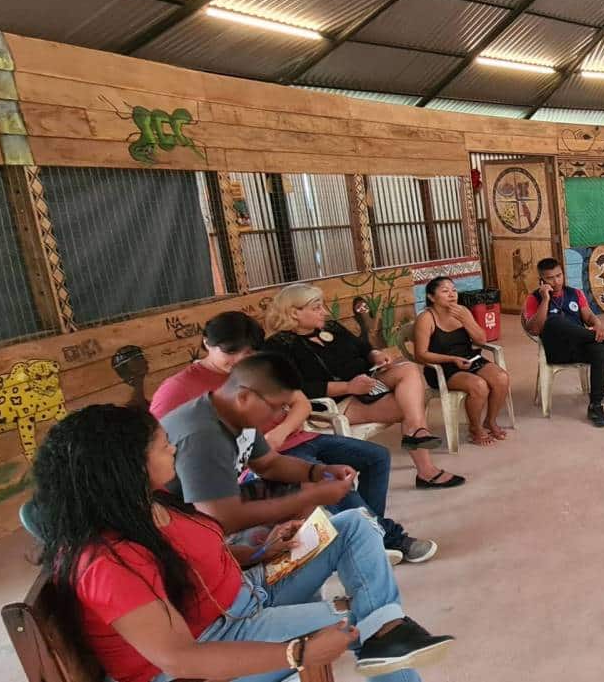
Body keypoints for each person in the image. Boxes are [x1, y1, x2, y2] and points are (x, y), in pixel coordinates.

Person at [33, 404, 453, 682]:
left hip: (242, 594)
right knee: (366, 624)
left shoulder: (142, 503)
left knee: (352, 526)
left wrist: (259, 552)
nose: (173, 449)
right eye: (162, 447)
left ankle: (388, 632)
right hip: (211, 642)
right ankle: (388, 634)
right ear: (127, 467)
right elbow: (179, 659)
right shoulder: (106, 562)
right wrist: (298, 652)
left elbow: (185, 559)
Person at [150, 312, 436, 565]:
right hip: (188, 508)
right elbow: (221, 513)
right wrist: (313, 490)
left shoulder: (240, 394)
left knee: (352, 469)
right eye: (231, 351)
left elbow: (271, 457)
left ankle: (367, 537)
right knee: (307, 499)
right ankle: (374, 539)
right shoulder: (189, 411)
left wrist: (317, 471)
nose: (278, 413)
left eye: (247, 353)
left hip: (254, 465)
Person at [262, 284, 464, 490]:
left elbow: (363, 348)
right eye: (316, 308)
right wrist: (348, 387)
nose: (324, 312)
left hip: (366, 383)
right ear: (294, 313)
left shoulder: (331, 327)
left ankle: (418, 432)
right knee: (409, 405)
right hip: (334, 402)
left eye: (322, 305)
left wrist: (376, 355)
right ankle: (425, 466)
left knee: (409, 369)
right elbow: (296, 390)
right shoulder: (278, 345)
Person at [522, 257, 604, 428]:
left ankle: (595, 406)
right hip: (557, 351)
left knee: (599, 351)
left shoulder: (575, 293)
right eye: (550, 278)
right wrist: (545, 300)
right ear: (541, 280)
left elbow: (588, 317)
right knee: (554, 321)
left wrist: (597, 325)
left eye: (559, 276)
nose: (556, 281)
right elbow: (534, 329)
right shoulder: (534, 298)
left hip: (580, 347)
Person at [412, 277, 513, 446]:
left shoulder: (463, 311)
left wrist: (466, 319)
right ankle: (475, 428)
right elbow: (420, 355)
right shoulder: (426, 318)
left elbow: (481, 340)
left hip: (469, 359)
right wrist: (452, 359)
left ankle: (490, 421)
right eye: (445, 291)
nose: (452, 295)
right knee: (479, 386)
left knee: (501, 378)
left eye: (454, 290)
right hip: (442, 367)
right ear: (431, 297)